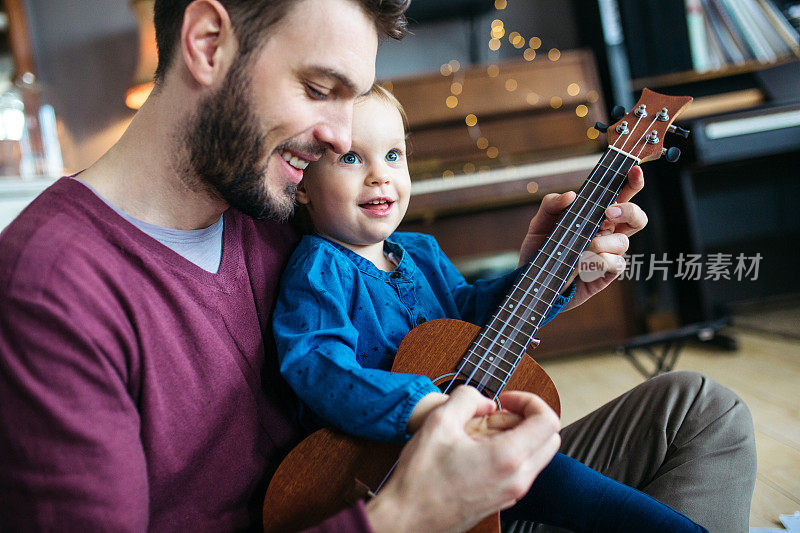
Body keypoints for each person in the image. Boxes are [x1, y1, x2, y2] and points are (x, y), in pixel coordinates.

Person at [0, 0, 755, 531]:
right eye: (320, 89)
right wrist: (403, 517)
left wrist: (540, 274)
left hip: (430, 480)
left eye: (356, 105)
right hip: (375, 508)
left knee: (700, 410)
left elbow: (428, 319)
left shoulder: (271, 200)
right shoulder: (52, 287)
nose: (338, 140)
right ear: (205, 42)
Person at [273, 83, 706, 532]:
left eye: (394, 155)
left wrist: (550, 272)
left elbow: (469, 316)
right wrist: (425, 408)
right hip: (368, 472)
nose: (380, 176)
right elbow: (317, 365)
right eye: (350, 158)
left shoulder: (419, 251)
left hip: (475, 446)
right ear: (302, 183)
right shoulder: (318, 269)